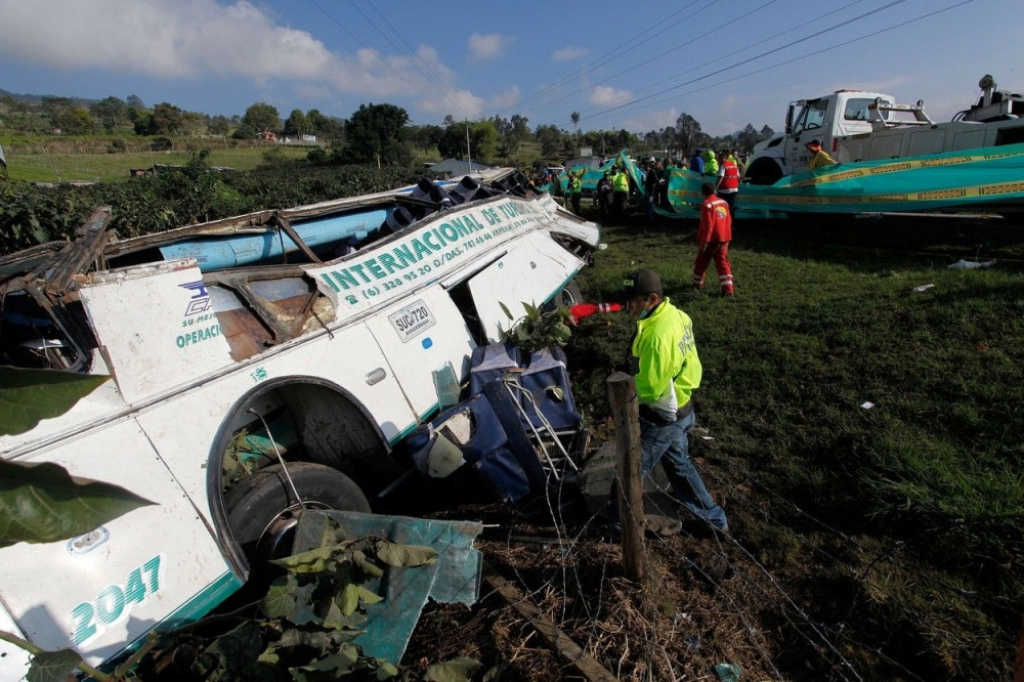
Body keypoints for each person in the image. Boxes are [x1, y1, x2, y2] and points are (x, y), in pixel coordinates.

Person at [621, 268, 728, 532]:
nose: (628, 306)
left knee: (632, 470)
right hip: (681, 406)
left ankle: (619, 522)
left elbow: (651, 387)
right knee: (679, 466)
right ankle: (715, 521)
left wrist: (624, 393)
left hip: (662, 417)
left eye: (633, 300)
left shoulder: (657, 336)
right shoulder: (676, 315)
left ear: (652, 299)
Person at [692, 182, 734, 296]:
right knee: (722, 262)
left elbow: (708, 226)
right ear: (714, 191)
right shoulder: (723, 202)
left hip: (712, 239)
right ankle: (728, 289)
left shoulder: (707, 205)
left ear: (703, 192)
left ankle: (697, 285)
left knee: (701, 262)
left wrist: (704, 242)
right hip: (724, 238)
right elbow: (729, 220)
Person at [716, 152, 741, 216]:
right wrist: (736, 185)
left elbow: (720, 177)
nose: (718, 160)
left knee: (721, 207)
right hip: (734, 189)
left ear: (724, 158)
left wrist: (715, 187)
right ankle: (731, 221)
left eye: (720, 158)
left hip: (724, 189)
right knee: (731, 207)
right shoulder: (734, 165)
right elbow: (738, 177)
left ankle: (722, 219)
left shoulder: (723, 166)